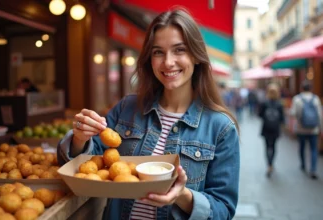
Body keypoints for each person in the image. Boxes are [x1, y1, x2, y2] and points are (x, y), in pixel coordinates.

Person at [57, 8, 240, 220]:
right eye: (158, 52)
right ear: (149, 59)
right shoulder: (127, 107)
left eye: (179, 50)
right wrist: (80, 139)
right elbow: (86, 163)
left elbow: (224, 210)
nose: (168, 62)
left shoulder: (221, 128)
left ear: (196, 56)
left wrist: (182, 195)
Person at [290, 81, 322, 179]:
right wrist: (320, 127)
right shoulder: (316, 99)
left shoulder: (297, 99)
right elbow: (320, 115)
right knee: (313, 149)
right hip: (313, 129)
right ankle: (313, 169)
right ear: (311, 88)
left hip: (301, 128)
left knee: (302, 147)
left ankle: (303, 164)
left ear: (301, 88)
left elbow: (293, 113)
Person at [258, 83, 284, 177]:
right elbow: (282, 118)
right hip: (275, 128)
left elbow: (260, 115)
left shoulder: (264, 103)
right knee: (273, 146)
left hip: (266, 128)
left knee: (266, 146)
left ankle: (268, 164)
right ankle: (271, 163)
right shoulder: (279, 104)